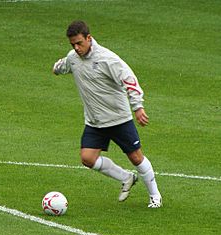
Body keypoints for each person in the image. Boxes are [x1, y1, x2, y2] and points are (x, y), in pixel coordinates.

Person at [53, 20, 162, 208]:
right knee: (87, 158)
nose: (77, 48)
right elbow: (65, 64)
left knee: (136, 157)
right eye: (73, 44)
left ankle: (155, 195)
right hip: (95, 122)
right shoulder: (73, 57)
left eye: (79, 43)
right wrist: (57, 68)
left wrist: (138, 107)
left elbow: (129, 79)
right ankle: (126, 177)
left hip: (119, 119)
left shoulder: (107, 59)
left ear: (89, 38)